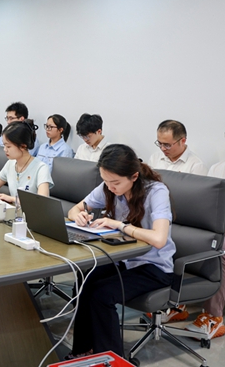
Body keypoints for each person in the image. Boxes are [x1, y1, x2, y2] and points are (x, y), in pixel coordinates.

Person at [66, 144, 175, 358]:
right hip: (125, 260)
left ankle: (111, 359)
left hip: (154, 267)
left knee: (101, 295)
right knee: (85, 279)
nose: (110, 187)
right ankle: (83, 350)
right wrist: (78, 215)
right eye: (105, 181)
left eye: (115, 183)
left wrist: (120, 225)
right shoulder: (109, 185)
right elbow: (75, 208)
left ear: (134, 176)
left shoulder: (156, 192)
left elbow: (159, 239)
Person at [186, 113, 225, 339]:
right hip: (220, 231)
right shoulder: (218, 169)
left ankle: (214, 318)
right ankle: (176, 306)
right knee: (180, 241)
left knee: (217, 251)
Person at [0, 120, 51, 204]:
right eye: (4, 145)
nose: (5, 150)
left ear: (23, 146)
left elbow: (41, 202)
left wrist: (12, 199)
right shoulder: (10, 163)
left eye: (8, 146)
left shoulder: (41, 168)